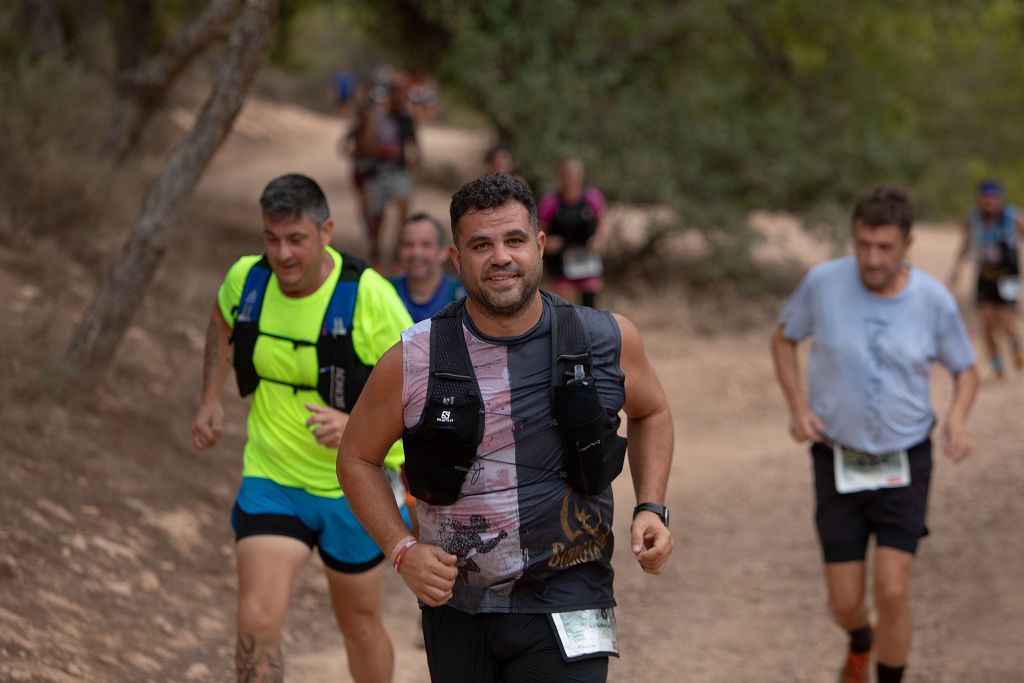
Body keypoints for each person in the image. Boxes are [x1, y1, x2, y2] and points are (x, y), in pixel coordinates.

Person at [337, 173, 675, 682]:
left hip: (572, 592)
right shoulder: (414, 357)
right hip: (457, 602)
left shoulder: (604, 338)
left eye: (514, 240)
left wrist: (651, 506)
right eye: (481, 245)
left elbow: (653, 411)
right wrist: (401, 549)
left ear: (539, 245)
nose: (500, 257)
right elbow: (356, 457)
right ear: (456, 258)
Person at [190, 173, 413, 682]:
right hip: (274, 478)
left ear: (326, 231)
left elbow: (424, 384)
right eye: (271, 239)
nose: (282, 254)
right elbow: (222, 322)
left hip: (356, 490)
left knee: (359, 624)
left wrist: (357, 427)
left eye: (296, 239)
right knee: (256, 620)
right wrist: (209, 400)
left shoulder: (369, 296)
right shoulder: (247, 281)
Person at [770, 186, 978, 683]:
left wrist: (957, 417)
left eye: (885, 247)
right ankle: (861, 639)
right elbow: (783, 338)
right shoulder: (823, 283)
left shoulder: (932, 299)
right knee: (845, 604)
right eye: (863, 244)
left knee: (892, 590)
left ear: (908, 243)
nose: (872, 258)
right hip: (836, 457)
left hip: (905, 459)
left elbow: (965, 370)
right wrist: (798, 407)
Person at [947, 179, 1024, 379]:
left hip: (1008, 276)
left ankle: (1016, 346)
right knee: (986, 324)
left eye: (992, 198)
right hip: (985, 275)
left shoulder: (1012, 217)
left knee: (1006, 321)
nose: (988, 202)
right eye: (985, 198)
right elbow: (965, 245)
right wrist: (956, 270)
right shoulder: (974, 220)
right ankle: (997, 367)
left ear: (1000, 199)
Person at [361, 75, 420, 268]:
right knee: (378, 218)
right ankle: (375, 251)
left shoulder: (408, 120)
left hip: (399, 172)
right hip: (378, 173)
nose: (398, 96)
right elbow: (365, 146)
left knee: (403, 217)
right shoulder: (376, 118)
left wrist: (414, 160)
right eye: (395, 92)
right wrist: (386, 151)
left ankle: (397, 255)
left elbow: (415, 145)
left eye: (401, 92)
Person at [538, 158, 610, 308]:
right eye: (566, 174)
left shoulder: (592, 197)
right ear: (559, 176)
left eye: (573, 174)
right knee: (567, 308)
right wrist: (548, 242)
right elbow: (539, 230)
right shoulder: (550, 201)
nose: (570, 178)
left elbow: (603, 223)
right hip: (561, 259)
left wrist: (599, 239)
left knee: (590, 306)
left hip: (587, 257)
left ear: (581, 175)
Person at [390, 212, 465, 323]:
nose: (416, 252)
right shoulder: (385, 292)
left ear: (443, 252)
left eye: (426, 244)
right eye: (408, 244)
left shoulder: (464, 297)